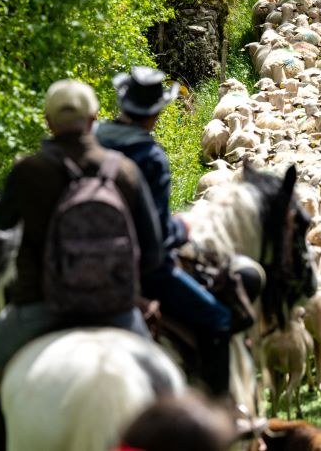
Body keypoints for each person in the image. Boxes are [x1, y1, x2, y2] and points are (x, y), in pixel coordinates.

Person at [0, 78, 162, 391]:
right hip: (114, 309)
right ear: (93, 119)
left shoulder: (28, 171)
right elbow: (152, 253)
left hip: (39, 304)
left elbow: (0, 222)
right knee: (166, 388)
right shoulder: (124, 170)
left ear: (48, 121)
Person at [95, 66, 234, 398]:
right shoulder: (150, 156)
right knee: (218, 318)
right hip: (142, 268)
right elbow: (155, 236)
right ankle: (220, 411)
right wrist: (182, 225)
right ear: (156, 112)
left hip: (83, 255)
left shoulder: (94, 141)